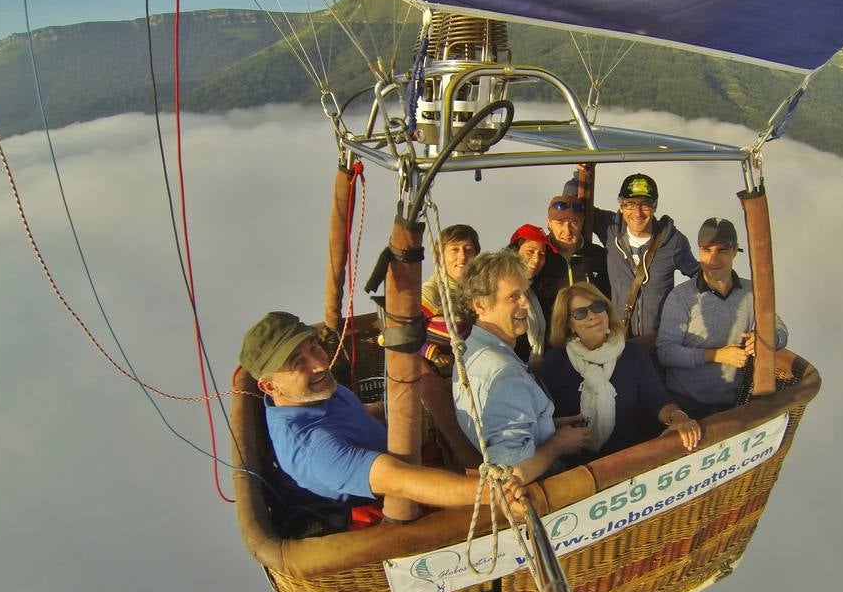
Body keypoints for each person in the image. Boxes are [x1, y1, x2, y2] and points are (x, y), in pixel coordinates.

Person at [240, 311, 521, 522]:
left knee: (426, 382)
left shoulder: (312, 394)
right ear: (269, 386)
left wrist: (403, 403)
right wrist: (492, 494)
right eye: (297, 363)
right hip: (399, 506)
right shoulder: (314, 449)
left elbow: (357, 414)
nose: (318, 364)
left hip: (405, 457)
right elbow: (400, 479)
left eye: (313, 347)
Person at [454, 251, 591, 484]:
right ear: (480, 305)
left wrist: (547, 425)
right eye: (513, 296)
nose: (526, 303)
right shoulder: (503, 374)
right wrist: (558, 445)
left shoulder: (470, 349)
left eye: (525, 292)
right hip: (546, 492)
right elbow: (511, 473)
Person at [539, 283, 701, 457]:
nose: (592, 316)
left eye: (597, 306)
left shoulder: (633, 354)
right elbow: (543, 419)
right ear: (569, 324)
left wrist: (677, 416)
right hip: (576, 468)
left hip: (627, 459)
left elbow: (657, 399)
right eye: (580, 313)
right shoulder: (555, 361)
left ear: (606, 311)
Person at [656, 218, 788, 415]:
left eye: (722, 251)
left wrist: (765, 339)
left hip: (731, 405)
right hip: (684, 406)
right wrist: (716, 355)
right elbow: (666, 352)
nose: (713, 259)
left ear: (735, 251)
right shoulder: (681, 297)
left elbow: (779, 329)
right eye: (706, 250)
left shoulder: (752, 292)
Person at [589, 172, 699, 337]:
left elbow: (700, 277)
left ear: (655, 206)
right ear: (621, 206)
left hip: (657, 344)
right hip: (618, 341)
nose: (638, 212)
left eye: (645, 204)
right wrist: (582, 173)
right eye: (630, 204)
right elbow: (575, 204)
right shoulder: (610, 228)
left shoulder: (673, 241)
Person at [531, 193, 610, 333]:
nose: (567, 231)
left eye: (574, 223)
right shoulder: (540, 256)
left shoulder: (598, 256)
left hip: (592, 340)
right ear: (549, 223)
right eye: (560, 223)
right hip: (551, 343)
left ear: (582, 222)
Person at [420, 224, 480, 373]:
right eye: (454, 249)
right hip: (435, 370)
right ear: (440, 257)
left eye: (468, 249)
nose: (462, 256)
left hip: (470, 362)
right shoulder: (432, 292)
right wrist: (434, 354)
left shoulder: (478, 288)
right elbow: (403, 332)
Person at [506, 223, 553, 367]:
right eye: (530, 252)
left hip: (533, 373)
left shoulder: (535, 291)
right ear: (514, 251)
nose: (536, 259)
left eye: (542, 254)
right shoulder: (500, 289)